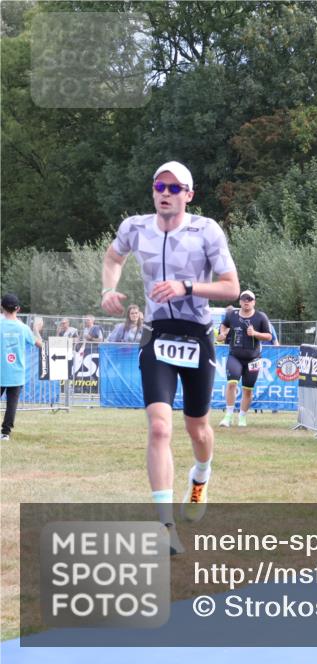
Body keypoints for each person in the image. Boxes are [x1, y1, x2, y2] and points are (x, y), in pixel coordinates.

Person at [101, 160, 239, 554]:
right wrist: (107, 290)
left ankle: (201, 475)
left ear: (188, 195)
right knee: (160, 428)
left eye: (174, 188)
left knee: (197, 428)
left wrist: (186, 286)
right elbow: (113, 259)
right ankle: (164, 527)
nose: (165, 192)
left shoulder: (206, 231)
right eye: (159, 186)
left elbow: (232, 288)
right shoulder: (134, 228)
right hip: (157, 336)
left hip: (197, 337)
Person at [217, 290, 272, 427]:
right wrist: (223, 333)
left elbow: (269, 336)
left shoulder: (260, 317)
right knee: (232, 383)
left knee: (248, 389)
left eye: (250, 299)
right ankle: (228, 416)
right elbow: (223, 325)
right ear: (240, 301)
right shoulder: (232, 315)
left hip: (253, 359)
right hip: (235, 356)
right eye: (244, 299)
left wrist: (255, 333)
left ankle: (242, 417)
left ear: (254, 302)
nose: (246, 301)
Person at [1, 294, 44, 441]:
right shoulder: (23, 328)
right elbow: (39, 344)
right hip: (16, 373)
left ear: (2, 307)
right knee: (11, 405)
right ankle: (5, 433)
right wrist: (37, 329)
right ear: (18, 309)